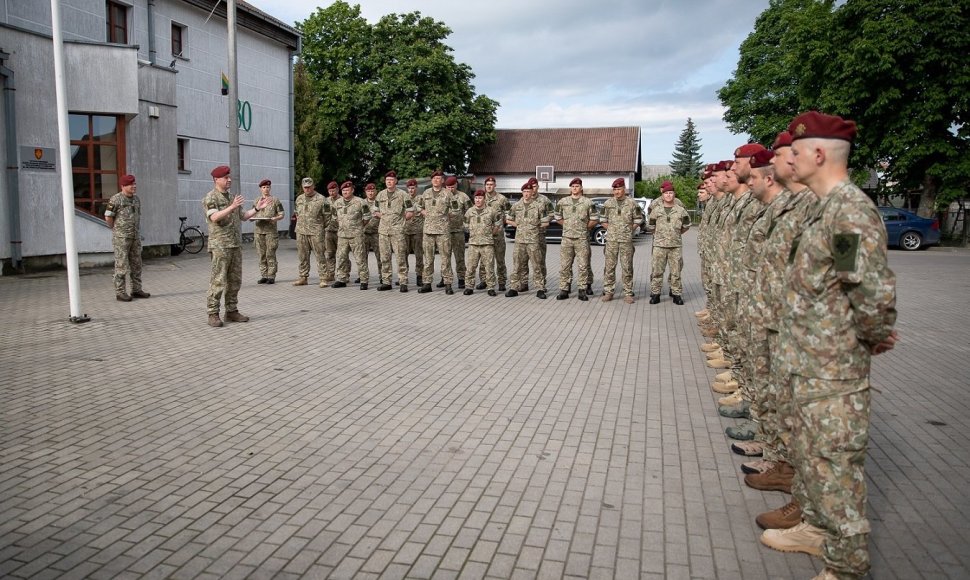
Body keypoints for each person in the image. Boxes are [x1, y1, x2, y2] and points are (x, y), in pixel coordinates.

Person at [760, 112, 897, 580]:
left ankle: (847, 567)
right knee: (813, 457)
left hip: (832, 368)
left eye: (795, 152)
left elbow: (870, 289)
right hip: (808, 361)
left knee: (835, 467)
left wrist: (874, 335)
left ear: (819, 154)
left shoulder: (848, 211)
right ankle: (816, 528)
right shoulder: (823, 207)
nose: (790, 159)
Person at [202, 165, 270, 327]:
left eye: (229, 177)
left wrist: (256, 209)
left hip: (234, 245)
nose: (229, 180)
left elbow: (244, 216)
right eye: (225, 178)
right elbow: (214, 217)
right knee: (218, 280)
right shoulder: (211, 197)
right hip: (220, 246)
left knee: (235, 280)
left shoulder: (232, 197)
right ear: (216, 180)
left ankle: (231, 311)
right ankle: (213, 313)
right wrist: (231, 207)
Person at [104, 174, 150, 302]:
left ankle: (136, 290)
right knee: (121, 265)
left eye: (134, 184)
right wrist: (115, 229)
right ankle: (120, 292)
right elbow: (108, 217)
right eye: (131, 184)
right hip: (121, 238)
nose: (134, 186)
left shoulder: (136, 199)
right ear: (123, 186)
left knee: (136, 264)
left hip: (135, 237)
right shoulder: (116, 199)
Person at [600, 177, 643, 304]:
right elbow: (602, 220)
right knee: (609, 266)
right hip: (611, 240)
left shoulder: (632, 203)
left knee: (627, 267)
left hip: (626, 240)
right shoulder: (608, 203)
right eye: (615, 189)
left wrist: (630, 229)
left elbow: (638, 219)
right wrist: (612, 229)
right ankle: (608, 291)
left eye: (619, 189)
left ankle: (628, 293)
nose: (617, 191)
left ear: (624, 189)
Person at [647, 180, 691, 304]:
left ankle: (676, 294)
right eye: (666, 193)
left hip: (675, 246)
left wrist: (676, 234)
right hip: (659, 245)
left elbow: (687, 225)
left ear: (674, 195)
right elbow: (651, 226)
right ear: (662, 195)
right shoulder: (656, 210)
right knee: (657, 271)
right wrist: (659, 235)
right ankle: (656, 294)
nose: (668, 195)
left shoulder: (680, 210)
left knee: (676, 271)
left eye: (671, 193)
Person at [555, 177, 597, 301]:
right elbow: (557, 217)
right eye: (573, 186)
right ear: (570, 188)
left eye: (577, 186)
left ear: (581, 188)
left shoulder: (588, 202)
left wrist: (584, 228)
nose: (575, 188)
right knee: (565, 266)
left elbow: (594, 219)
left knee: (583, 265)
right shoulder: (563, 202)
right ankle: (564, 289)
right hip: (567, 238)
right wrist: (567, 226)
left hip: (581, 239)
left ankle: (582, 290)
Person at [505, 182, 549, 299]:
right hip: (519, 241)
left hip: (533, 240)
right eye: (524, 192)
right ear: (522, 192)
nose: (526, 194)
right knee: (517, 265)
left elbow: (546, 222)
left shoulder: (539, 206)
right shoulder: (516, 206)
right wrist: (518, 225)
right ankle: (514, 287)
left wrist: (534, 226)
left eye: (528, 192)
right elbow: (508, 220)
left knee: (537, 265)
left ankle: (540, 288)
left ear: (532, 192)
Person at [416, 171, 458, 294]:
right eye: (434, 178)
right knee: (428, 259)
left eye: (438, 178)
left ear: (442, 181)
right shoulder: (426, 193)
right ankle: (427, 283)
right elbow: (417, 206)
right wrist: (423, 212)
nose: (436, 180)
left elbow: (455, 209)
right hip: (428, 230)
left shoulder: (448, 194)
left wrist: (446, 216)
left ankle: (448, 284)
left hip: (443, 231)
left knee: (445, 258)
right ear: (431, 180)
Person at [374, 170, 415, 292]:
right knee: (384, 257)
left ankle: (403, 282)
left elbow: (410, 211)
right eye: (387, 180)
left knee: (400, 257)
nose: (389, 182)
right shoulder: (380, 195)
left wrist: (401, 220)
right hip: (383, 231)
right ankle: (386, 281)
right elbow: (375, 210)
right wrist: (384, 217)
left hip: (397, 231)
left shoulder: (403, 195)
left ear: (396, 181)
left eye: (391, 180)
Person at [292, 177, 331, 287]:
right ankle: (303, 277)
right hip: (301, 231)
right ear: (302, 187)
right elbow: (296, 213)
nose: (307, 189)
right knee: (302, 255)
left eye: (309, 187)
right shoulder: (299, 199)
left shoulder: (322, 199)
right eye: (305, 187)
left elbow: (328, 216)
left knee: (320, 255)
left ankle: (323, 278)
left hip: (316, 232)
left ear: (313, 186)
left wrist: (320, 227)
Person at [332, 181, 371, 289]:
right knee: (341, 257)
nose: (345, 192)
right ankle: (341, 279)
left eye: (347, 190)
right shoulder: (337, 203)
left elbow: (367, 217)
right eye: (343, 190)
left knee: (360, 258)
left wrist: (359, 226)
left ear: (352, 190)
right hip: (342, 235)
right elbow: (334, 217)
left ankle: (364, 280)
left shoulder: (360, 202)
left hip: (356, 235)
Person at [463, 189, 502, 296]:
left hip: (487, 244)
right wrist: (473, 232)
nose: (478, 200)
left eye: (480, 198)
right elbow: (465, 225)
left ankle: (490, 287)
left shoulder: (491, 211)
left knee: (489, 267)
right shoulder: (470, 211)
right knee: (471, 266)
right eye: (476, 198)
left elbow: (498, 223)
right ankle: (469, 286)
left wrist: (491, 233)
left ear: (484, 199)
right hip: (473, 244)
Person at [478, 176, 511, 291]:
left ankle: (502, 282)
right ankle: (484, 281)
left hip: (498, 235)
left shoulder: (502, 199)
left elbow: (509, 214)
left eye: (491, 184)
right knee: (484, 260)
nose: (489, 186)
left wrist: (502, 225)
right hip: (484, 235)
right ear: (485, 186)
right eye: (487, 185)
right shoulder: (481, 198)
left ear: (495, 185)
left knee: (500, 260)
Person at [252, 178, 284, 284]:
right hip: (259, 231)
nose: (266, 189)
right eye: (264, 187)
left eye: (268, 187)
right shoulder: (257, 200)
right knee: (261, 254)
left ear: (270, 188)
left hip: (271, 231)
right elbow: (253, 213)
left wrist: (275, 218)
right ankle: (264, 275)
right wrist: (252, 218)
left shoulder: (275, 200)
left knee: (270, 253)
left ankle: (271, 275)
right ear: (260, 189)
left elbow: (281, 214)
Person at [444, 175, 470, 288]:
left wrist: (465, 225)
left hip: (458, 231)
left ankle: (461, 278)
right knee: (445, 257)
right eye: (448, 187)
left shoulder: (463, 196)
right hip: (445, 232)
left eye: (452, 186)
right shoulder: (442, 196)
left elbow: (470, 212)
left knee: (460, 256)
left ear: (456, 185)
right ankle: (444, 279)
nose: (450, 189)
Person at [403, 178, 424, 286]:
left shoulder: (421, 198)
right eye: (409, 188)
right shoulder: (403, 198)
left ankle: (419, 276)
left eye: (413, 188)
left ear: (416, 188)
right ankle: (403, 276)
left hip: (417, 231)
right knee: (403, 255)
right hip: (405, 231)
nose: (411, 190)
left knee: (419, 255)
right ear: (407, 189)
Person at [361, 183, 382, 284]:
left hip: (377, 233)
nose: (370, 193)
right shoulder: (362, 202)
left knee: (380, 256)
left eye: (372, 191)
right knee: (362, 256)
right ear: (366, 192)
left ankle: (383, 276)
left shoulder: (379, 202)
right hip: (364, 233)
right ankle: (363, 276)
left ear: (376, 191)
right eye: (368, 191)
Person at [322, 180, 340, 286]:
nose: (332, 193)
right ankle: (330, 273)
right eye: (330, 191)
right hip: (328, 231)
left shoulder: (343, 200)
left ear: (337, 190)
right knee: (329, 254)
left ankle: (344, 274)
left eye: (333, 190)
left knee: (342, 254)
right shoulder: (326, 201)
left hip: (340, 232)